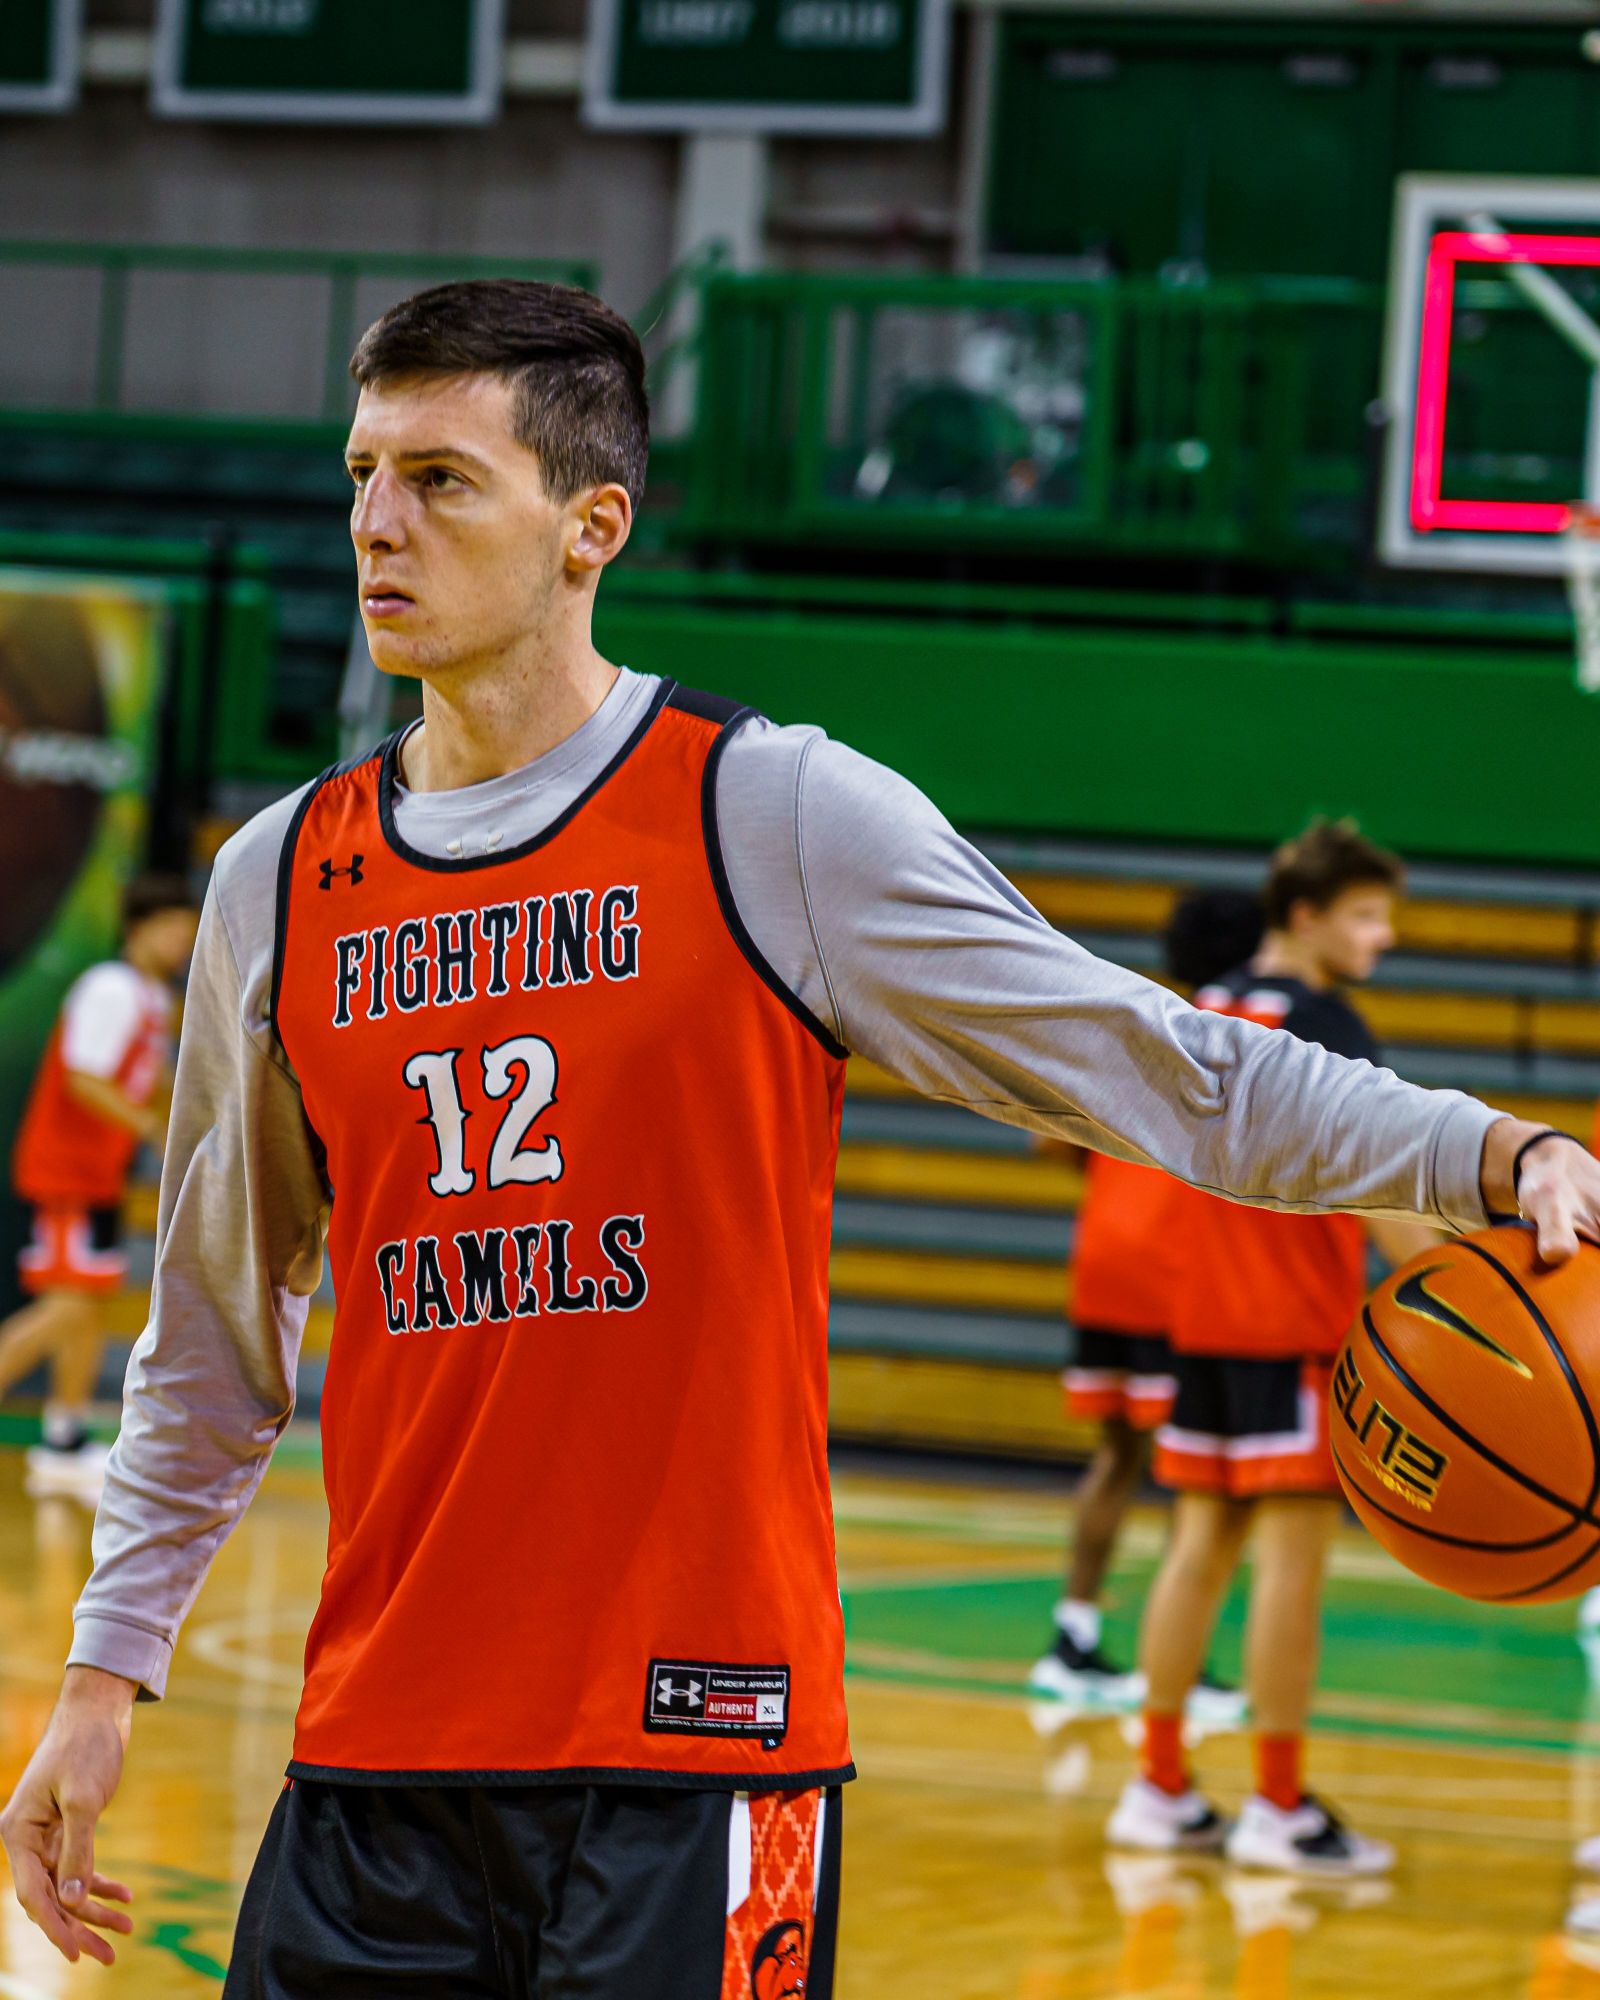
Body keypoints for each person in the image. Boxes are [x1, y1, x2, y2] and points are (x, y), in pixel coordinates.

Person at [2, 281, 1597, 1995]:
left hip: (700, 1757)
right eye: (363, 469)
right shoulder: (279, 882)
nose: (375, 523)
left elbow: (1158, 1065)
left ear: (589, 526)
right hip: (377, 1755)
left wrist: (1489, 1158)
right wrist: (101, 1679)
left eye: (443, 480)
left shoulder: (767, 811)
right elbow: (218, 1337)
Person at [1108, 821, 1443, 1876]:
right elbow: (1384, 1178)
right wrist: (1452, 1300)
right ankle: (1279, 1804)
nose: (1381, 936)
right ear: (1305, 915)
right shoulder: (1325, 1021)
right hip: (1290, 1323)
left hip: (1199, 1316)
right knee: (1290, 1565)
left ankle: (1159, 1786)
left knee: (1198, 1545)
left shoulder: (1200, 1004)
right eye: (1365, 914)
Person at [1029, 886, 1263, 1710]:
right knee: (1193, 1477)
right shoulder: (1242, 1031)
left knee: (1116, 1458)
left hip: (1105, 1259)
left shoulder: (1130, 1016)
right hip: (1174, 1273)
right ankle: (1184, 1663)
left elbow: (1044, 1133)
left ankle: (1073, 1638)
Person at [0, 875, 196, 1502]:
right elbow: (85, 1079)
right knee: (66, 1308)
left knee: (87, 1307)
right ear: (139, 927)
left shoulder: (152, 999)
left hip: (98, 1172)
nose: (181, 944)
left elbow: (150, 1079)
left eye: (187, 935)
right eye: (172, 929)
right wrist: (151, 1127)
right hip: (64, 1168)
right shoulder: (110, 987)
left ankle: (63, 1435)